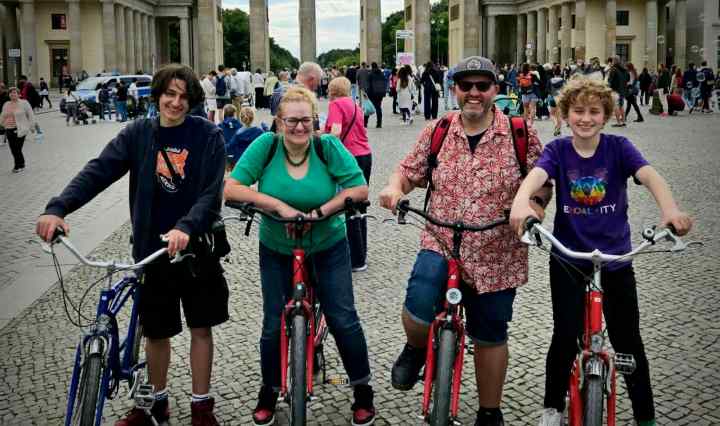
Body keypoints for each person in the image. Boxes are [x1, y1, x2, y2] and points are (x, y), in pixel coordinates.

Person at [39, 64, 228, 426]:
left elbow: (210, 195)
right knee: (156, 332)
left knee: (200, 328)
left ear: (192, 100)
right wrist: (58, 207)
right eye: (169, 94)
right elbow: (99, 170)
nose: (176, 102)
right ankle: (155, 403)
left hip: (195, 252)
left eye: (184, 96)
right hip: (152, 252)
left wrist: (185, 227)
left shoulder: (207, 135)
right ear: (157, 94)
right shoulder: (139, 133)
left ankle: (201, 406)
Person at [508, 77, 693, 426]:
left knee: (628, 341)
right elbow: (534, 178)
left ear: (606, 116)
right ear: (565, 114)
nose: (586, 118)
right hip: (570, 259)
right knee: (564, 335)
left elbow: (651, 176)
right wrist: (521, 205)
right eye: (578, 111)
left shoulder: (619, 148)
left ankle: (645, 417)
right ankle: (552, 410)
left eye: (594, 111)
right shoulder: (558, 151)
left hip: (616, 259)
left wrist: (669, 210)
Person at [378, 56, 551, 426]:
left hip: (497, 249)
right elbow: (408, 172)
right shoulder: (437, 129)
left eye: (482, 86)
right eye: (465, 86)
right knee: (420, 297)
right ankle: (415, 348)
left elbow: (542, 184)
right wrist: (394, 188)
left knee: (490, 334)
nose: (474, 93)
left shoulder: (520, 133)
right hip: (441, 238)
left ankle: (490, 412)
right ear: (454, 89)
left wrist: (534, 207)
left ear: (494, 90)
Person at [223, 86, 376, 426]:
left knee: (342, 317)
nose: (299, 128)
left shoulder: (327, 146)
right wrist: (277, 206)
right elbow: (232, 187)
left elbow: (359, 188)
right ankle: (269, 389)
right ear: (278, 121)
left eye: (305, 120)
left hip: (327, 243)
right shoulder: (265, 146)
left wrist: (323, 210)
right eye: (291, 121)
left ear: (314, 120)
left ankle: (363, 391)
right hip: (277, 245)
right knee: (271, 322)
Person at [325, 76, 372, 271]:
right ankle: (362, 251)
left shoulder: (336, 105)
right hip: (365, 155)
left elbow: (335, 132)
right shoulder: (355, 105)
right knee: (360, 206)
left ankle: (355, 259)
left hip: (348, 159)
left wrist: (320, 137)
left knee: (348, 205)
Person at [0, 87, 36, 172]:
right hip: (9, 129)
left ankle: (17, 166)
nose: (12, 94)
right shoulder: (6, 104)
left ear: (19, 94)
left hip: (21, 129)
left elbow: (31, 115)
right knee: (13, 149)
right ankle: (22, 163)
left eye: (14, 93)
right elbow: (2, 115)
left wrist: (32, 126)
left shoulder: (24, 103)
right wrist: (2, 123)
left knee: (17, 148)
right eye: (11, 93)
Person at [607, 56, 629, 127]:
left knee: (616, 106)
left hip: (615, 90)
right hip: (622, 90)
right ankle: (623, 121)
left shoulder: (613, 69)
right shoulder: (624, 69)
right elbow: (627, 79)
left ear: (614, 61)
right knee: (621, 106)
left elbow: (610, 80)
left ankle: (619, 122)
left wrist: (608, 88)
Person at [366, 62, 386, 128]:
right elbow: (384, 83)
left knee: (368, 108)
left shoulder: (370, 74)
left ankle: (365, 122)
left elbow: (368, 85)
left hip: (372, 94)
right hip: (380, 93)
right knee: (378, 108)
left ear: (372, 66)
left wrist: (367, 93)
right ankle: (379, 123)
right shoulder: (382, 74)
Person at [547, 66, 565, 136]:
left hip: (552, 98)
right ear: (560, 73)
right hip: (560, 98)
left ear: (554, 73)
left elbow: (547, 90)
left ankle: (555, 125)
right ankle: (558, 129)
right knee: (559, 115)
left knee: (552, 114)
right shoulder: (563, 81)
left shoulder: (550, 80)